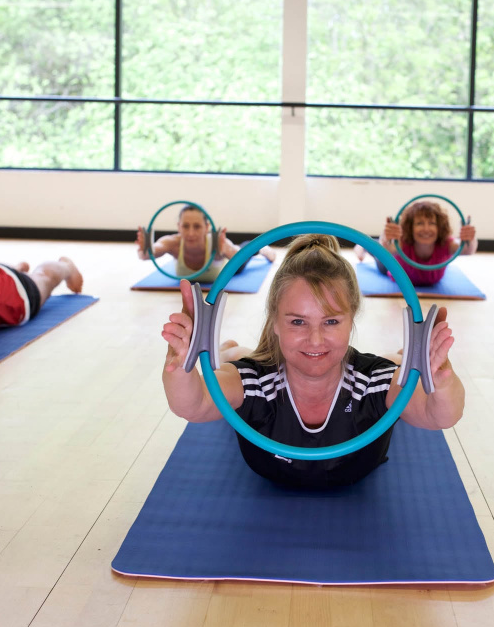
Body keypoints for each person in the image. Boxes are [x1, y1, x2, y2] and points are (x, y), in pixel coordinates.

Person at [162, 234, 465, 489]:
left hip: (363, 374)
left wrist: (441, 380)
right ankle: (230, 350)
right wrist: (180, 366)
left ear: (351, 321)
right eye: (297, 322)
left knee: (389, 365)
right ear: (275, 323)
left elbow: (438, 415)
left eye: (331, 322)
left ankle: (399, 354)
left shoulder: (375, 382)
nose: (316, 339)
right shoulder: (254, 381)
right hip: (266, 367)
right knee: (240, 359)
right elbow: (195, 403)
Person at [136, 205, 275, 282]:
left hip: (230, 267)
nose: (191, 233)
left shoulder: (216, 242)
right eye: (185, 226)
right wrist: (144, 249)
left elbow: (240, 259)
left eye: (197, 227)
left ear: (207, 227)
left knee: (246, 250)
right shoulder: (173, 243)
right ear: (178, 226)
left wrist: (225, 250)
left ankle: (261, 248)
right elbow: (149, 254)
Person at [354, 201, 477, 286]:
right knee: (376, 251)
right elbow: (383, 251)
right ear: (410, 228)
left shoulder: (446, 244)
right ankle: (362, 246)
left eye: (432, 223)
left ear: (439, 227)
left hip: (419, 274)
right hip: (390, 266)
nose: (426, 229)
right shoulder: (402, 244)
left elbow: (468, 250)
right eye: (419, 223)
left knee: (377, 248)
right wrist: (386, 237)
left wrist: (470, 239)